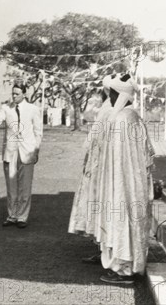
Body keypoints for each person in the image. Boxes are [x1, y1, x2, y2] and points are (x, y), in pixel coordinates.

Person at [97, 75, 154, 284]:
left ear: (121, 95)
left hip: (122, 183)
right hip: (131, 183)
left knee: (121, 221)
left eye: (112, 94)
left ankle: (123, 268)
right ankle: (126, 265)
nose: (110, 98)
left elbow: (118, 158)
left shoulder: (122, 119)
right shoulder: (133, 116)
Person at [68, 75, 114, 256]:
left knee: (100, 203)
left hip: (102, 164)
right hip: (96, 162)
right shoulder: (107, 108)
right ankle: (101, 248)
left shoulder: (110, 109)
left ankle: (105, 249)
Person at [0, 83, 43, 229]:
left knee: (25, 186)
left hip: (27, 152)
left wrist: (36, 150)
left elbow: (38, 132)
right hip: (10, 152)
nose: (14, 96)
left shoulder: (33, 109)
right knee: (11, 187)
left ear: (24, 94)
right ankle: (12, 215)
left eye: (17, 94)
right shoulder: (6, 108)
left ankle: (22, 217)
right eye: (13, 93)